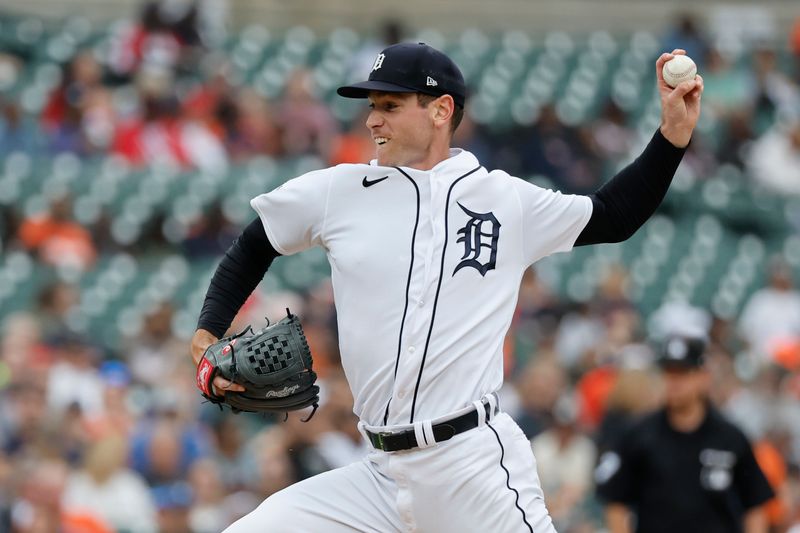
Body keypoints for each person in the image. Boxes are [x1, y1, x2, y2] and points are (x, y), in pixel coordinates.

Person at [190, 42, 703, 532]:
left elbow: (613, 216)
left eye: (390, 104)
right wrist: (207, 329)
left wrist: (671, 138)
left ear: (440, 110)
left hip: (471, 467)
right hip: (378, 476)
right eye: (372, 105)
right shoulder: (338, 192)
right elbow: (255, 245)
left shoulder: (505, 200)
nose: (373, 119)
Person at [595, 335, 774, 533]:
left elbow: (755, 505)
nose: (675, 383)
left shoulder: (730, 437)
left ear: (703, 376)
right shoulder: (639, 435)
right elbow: (616, 502)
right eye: (669, 373)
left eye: (683, 373)